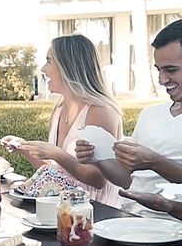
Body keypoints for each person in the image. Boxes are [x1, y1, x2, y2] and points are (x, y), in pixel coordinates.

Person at [76, 19, 182, 216]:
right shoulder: (150, 115)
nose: (162, 80)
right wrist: (97, 159)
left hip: (173, 231)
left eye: (171, 69)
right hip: (130, 220)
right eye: (159, 70)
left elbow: (151, 165)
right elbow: (128, 179)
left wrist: (155, 162)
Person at [1, 34, 122, 206]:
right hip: (63, 208)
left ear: (68, 67)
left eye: (49, 61)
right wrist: (26, 148)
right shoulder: (59, 109)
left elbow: (98, 179)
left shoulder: (100, 112)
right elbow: (56, 172)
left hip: (95, 210)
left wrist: (55, 152)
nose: (43, 69)